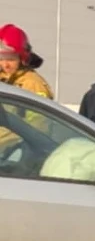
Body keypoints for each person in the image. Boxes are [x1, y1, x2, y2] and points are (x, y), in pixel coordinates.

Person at [0, 24, 53, 152]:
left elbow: (39, 127)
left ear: (22, 58)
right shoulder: (3, 80)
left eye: (11, 59)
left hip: (14, 153)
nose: (5, 64)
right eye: (1, 58)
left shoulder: (32, 84)